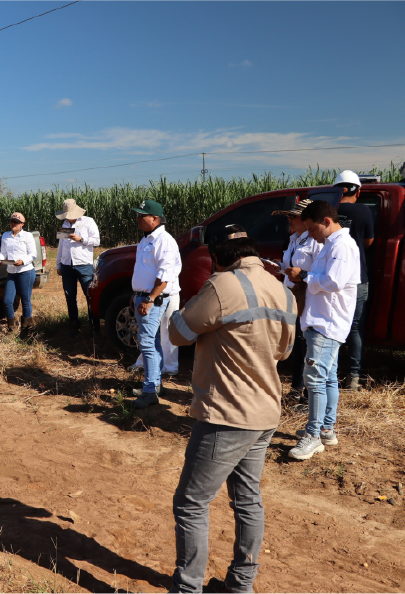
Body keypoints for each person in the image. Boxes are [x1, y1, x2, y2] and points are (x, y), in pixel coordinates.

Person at [168, 224, 295, 594]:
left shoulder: (222, 286)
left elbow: (179, 333)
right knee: (248, 499)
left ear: (219, 255)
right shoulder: (283, 292)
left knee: (191, 503)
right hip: (265, 410)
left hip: (227, 414)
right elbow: (283, 352)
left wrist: (200, 296)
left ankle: (186, 588)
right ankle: (241, 585)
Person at [285, 200, 360, 460]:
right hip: (320, 319)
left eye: (313, 229)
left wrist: (304, 277)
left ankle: (313, 435)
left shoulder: (342, 246)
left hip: (327, 322)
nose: (311, 235)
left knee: (314, 379)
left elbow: (334, 281)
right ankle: (326, 428)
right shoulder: (330, 244)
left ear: (326, 221)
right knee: (326, 377)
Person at [129, 199, 181, 408]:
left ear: (155, 218)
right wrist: (137, 295)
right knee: (155, 342)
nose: (138, 219)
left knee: (147, 343)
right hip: (144, 296)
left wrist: (149, 299)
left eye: (142, 215)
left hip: (154, 299)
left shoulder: (164, 241)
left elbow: (164, 276)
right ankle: (155, 384)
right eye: (138, 215)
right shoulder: (146, 239)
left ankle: (150, 390)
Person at [275, 199, 322, 406]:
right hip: (292, 294)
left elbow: (322, 274)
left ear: (305, 219)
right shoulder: (294, 239)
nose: (289, 220)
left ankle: (304, 392)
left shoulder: (315, 242)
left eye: (292, 216)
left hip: (307, 295)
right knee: (296, 342)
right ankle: (296, 388)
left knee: (304, 343)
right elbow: (290, 265)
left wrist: (301, 274)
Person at [332, 171, 374, 390]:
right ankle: (353, 378)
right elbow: (368, 242)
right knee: (355, 327)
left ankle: (330, 373)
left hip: (332, 277)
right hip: (358, 277)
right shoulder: (364, 210)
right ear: (358, 191)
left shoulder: (329, 210)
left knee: (332, 324)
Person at [55, 199, 101, 337]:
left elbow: (97, 241)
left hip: (84, 265)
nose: (68, 218)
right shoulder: (64, 224)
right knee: (70, 296)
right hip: (67, 265)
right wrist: (59, 264)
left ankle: (95, 327)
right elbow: (61, 245)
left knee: (89, 295)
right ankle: (74, 325)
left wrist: (80, 239)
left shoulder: (88, 221)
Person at [0, 212, 37, 337]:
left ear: (22, 224)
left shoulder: (27, 236)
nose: (13, 224)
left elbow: (33, 254)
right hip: (12, 272)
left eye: (16, 222)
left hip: (26, 271)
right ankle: (12, 329)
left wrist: (23, 261)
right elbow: (3, 252)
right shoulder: (5, 236)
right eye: (12, 221)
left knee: (25, 301)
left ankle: (25, 329)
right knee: (7, 301)